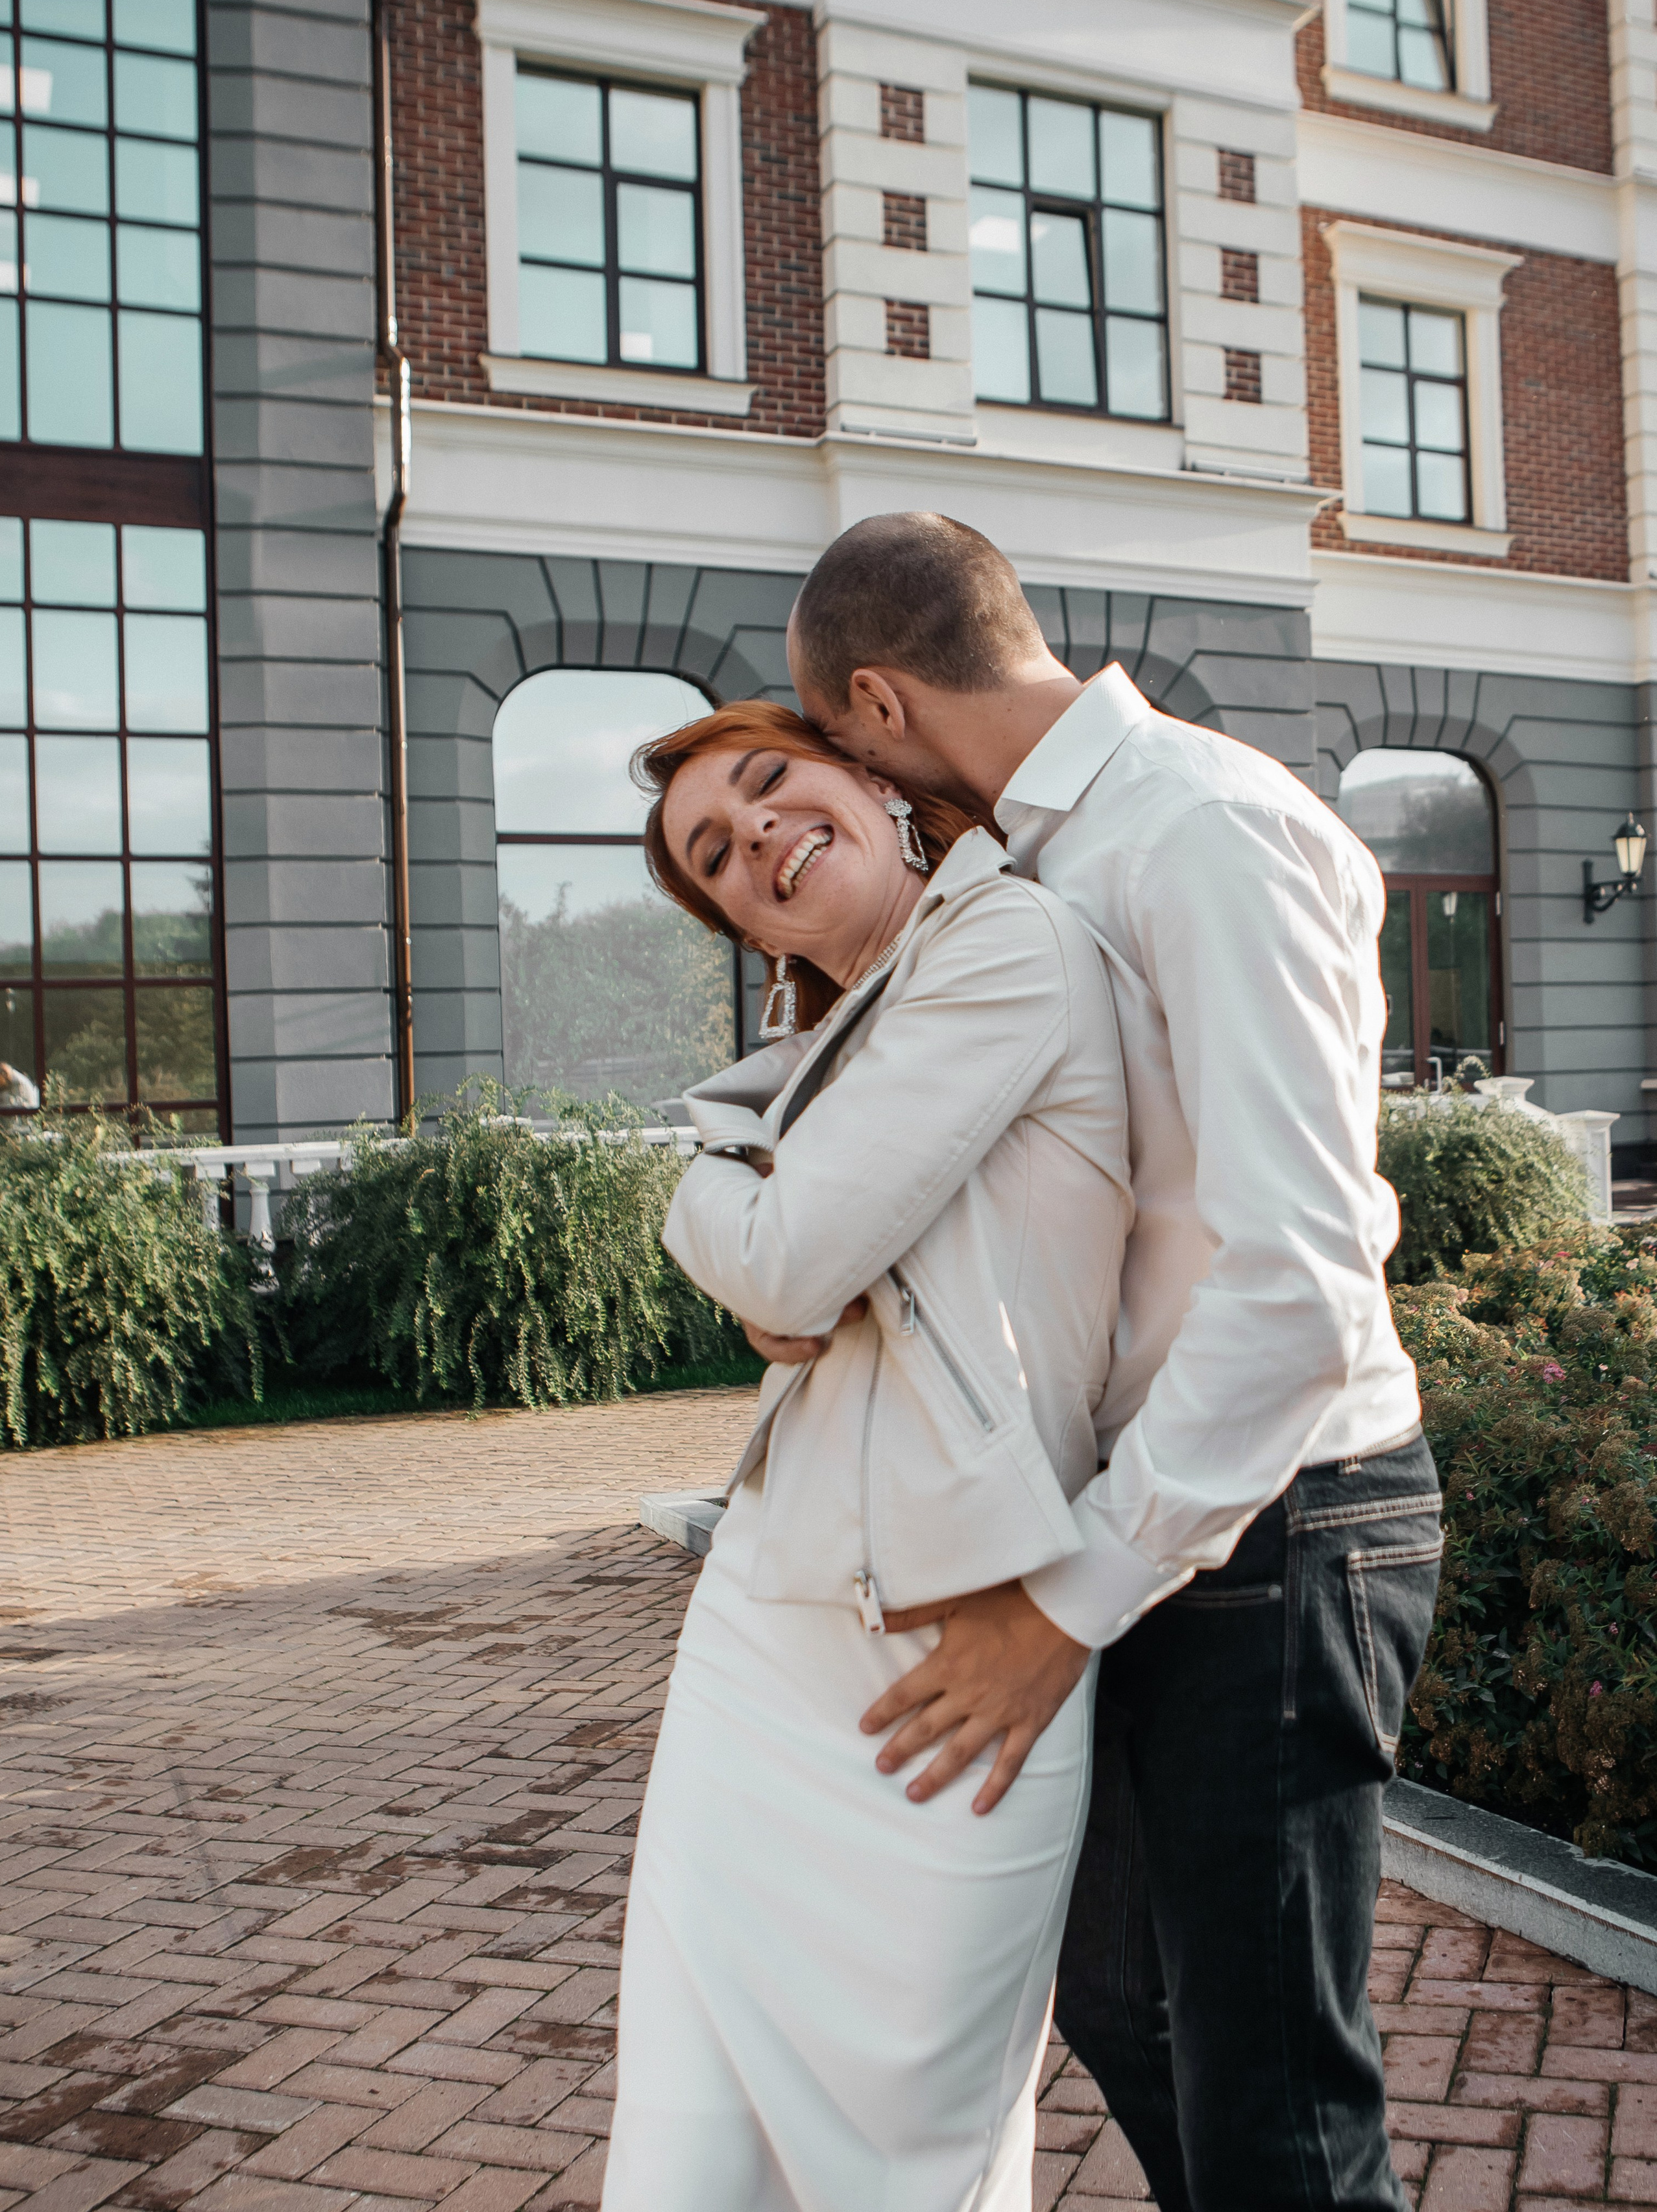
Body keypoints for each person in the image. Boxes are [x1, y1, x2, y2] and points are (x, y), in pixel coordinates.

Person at [747, 511, 1440, 2212]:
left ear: (883, 705)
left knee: (1275, 2096)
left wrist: (1062, 1600)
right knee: (1122, 1998)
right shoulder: (1028, 868)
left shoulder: (1202, 830)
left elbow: (1301, 1277)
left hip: (1282, 1519)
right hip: (1140, 1522)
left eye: (838, 754)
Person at [601, 699, 1133, 2211]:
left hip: (960, 1631)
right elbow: (791, 1257)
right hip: (759, 1629)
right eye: (715, 848)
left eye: (773, 784)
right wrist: (750, 1212)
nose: (755, 831)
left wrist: (696, 1196)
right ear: (729, 911)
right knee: (689, 2129)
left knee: (910, 2151)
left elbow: (782, 1261)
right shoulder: (814, 1052)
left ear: (878, 786)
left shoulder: (1003, 946)